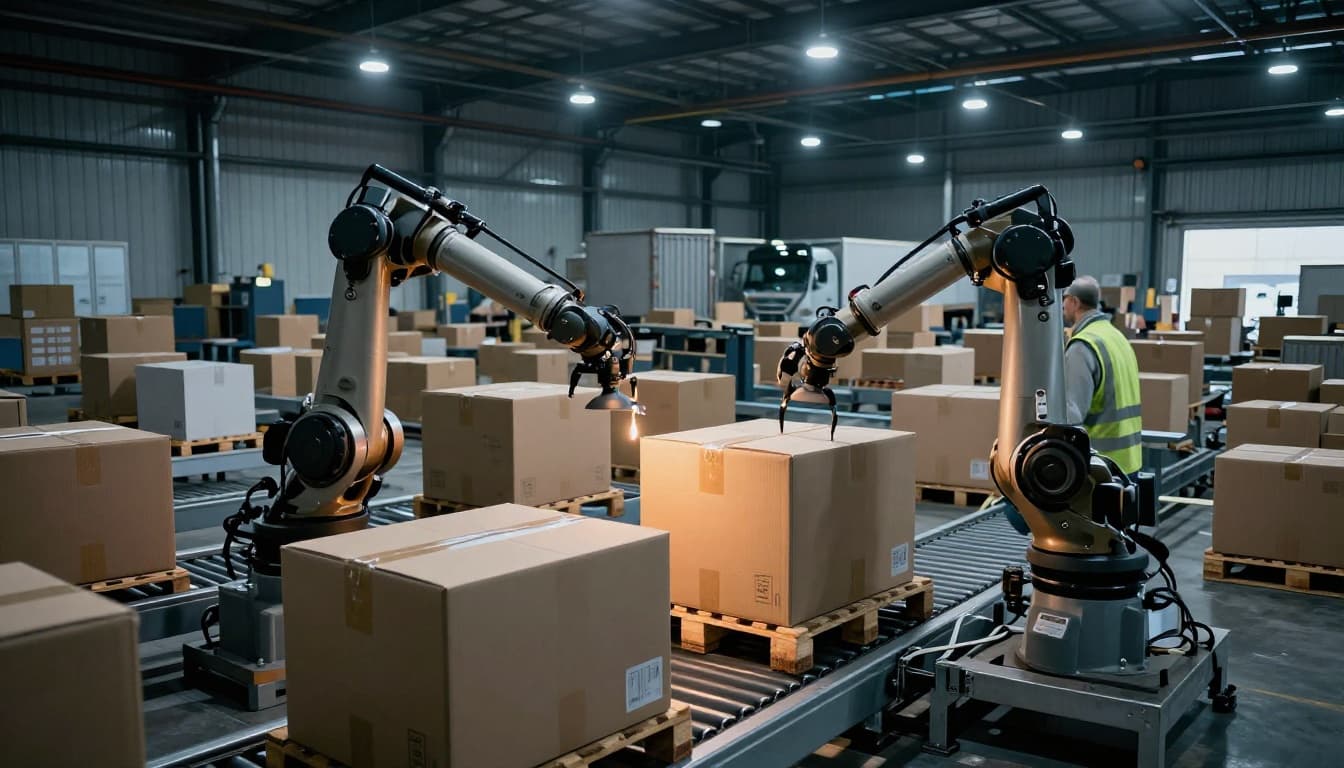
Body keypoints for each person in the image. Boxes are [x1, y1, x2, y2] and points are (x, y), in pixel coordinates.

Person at [1061, 276, 1143, 474]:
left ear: (1074, 301)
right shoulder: (1116, 336)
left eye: (1064, 300)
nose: (1062, 306)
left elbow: (1072, 414)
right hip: (1129, 460)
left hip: (1102, 467)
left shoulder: (1083, 346)